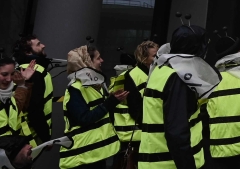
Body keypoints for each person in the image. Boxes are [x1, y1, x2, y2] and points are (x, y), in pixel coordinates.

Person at [140, 25, 220, 169]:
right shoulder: (178, 77)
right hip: (171, 164)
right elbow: (177, 132)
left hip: (156, 161)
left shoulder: (160, 69)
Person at [60, 41, 125, 169]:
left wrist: (113, 100)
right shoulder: (75, 88)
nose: (102, 60)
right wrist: (110, 103)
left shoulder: (94, 86)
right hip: (81, 158)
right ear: (87, 62)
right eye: (98, 58)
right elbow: (84, 118)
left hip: (93, 154)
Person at [114, 41, 158, 162]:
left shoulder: (154, 73)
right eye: (154, 55)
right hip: (136, 134)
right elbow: (135, 108)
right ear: (143, 58)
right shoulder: (133, 75)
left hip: (146, 131)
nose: (158, 58)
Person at [12, 36, 52, 145]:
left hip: (20, 133)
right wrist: (46, 137)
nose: (43, 46)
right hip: (28, 135)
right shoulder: (35, 72)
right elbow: (35, 110)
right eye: (38, 44)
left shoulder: (19, 69)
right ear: (27, 52)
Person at [0, 59, 23, 139]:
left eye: (12, 74)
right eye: (4, 74)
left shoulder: (12, 93)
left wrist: (23, 84)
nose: (9, 79)